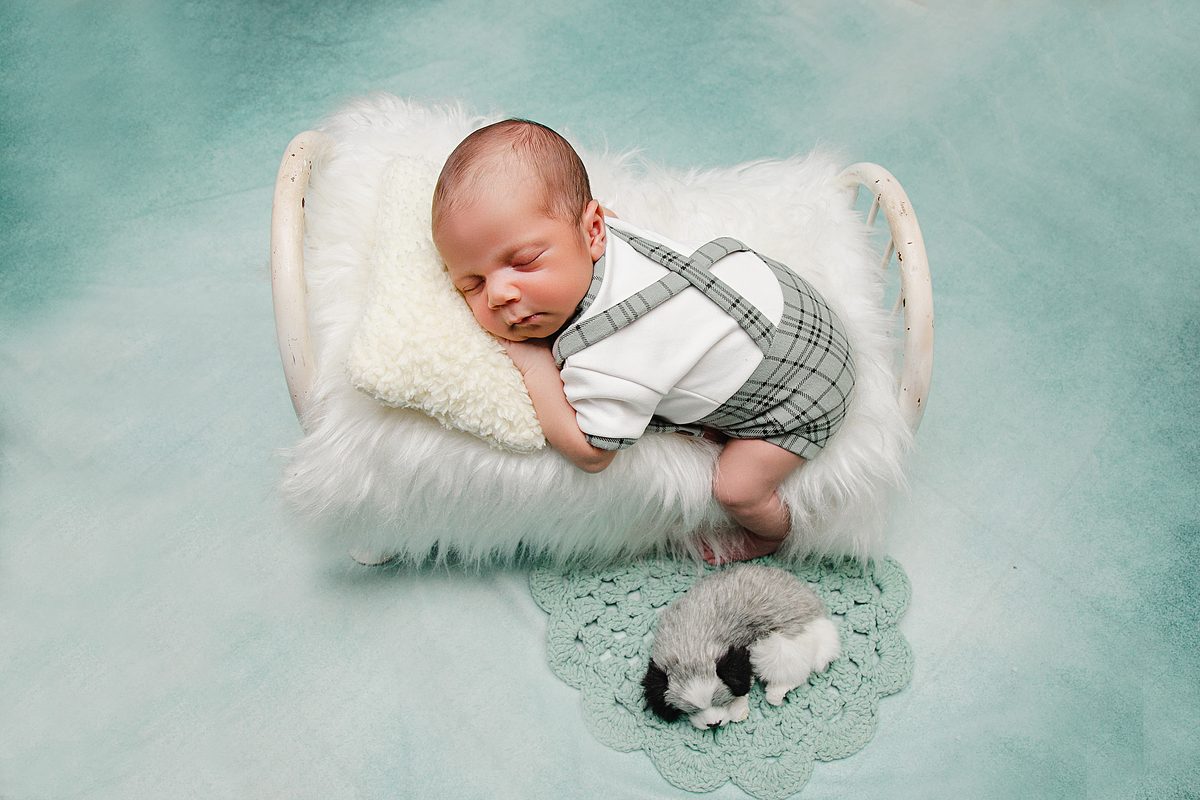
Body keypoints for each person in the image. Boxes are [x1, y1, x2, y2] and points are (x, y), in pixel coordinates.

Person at [431, 119, 855, 563]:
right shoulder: (610, 232)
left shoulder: (606, 350)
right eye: (472, 284)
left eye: (524, 261)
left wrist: (534, 365)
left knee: (736, 488)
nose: (499, 294)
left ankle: (772, 535)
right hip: (791, 301)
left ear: (592, 230)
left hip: (806, 391)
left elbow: (592, 453)